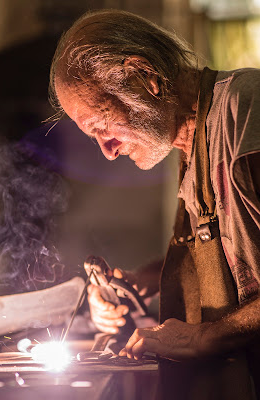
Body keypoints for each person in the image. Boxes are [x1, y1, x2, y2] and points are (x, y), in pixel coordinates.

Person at [49, 9, 260, 396]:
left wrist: (208, 337)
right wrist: (140, 283)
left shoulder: (245, 110)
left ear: (146, 78)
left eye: (103, 127)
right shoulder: (192, 147)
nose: (108, 152)